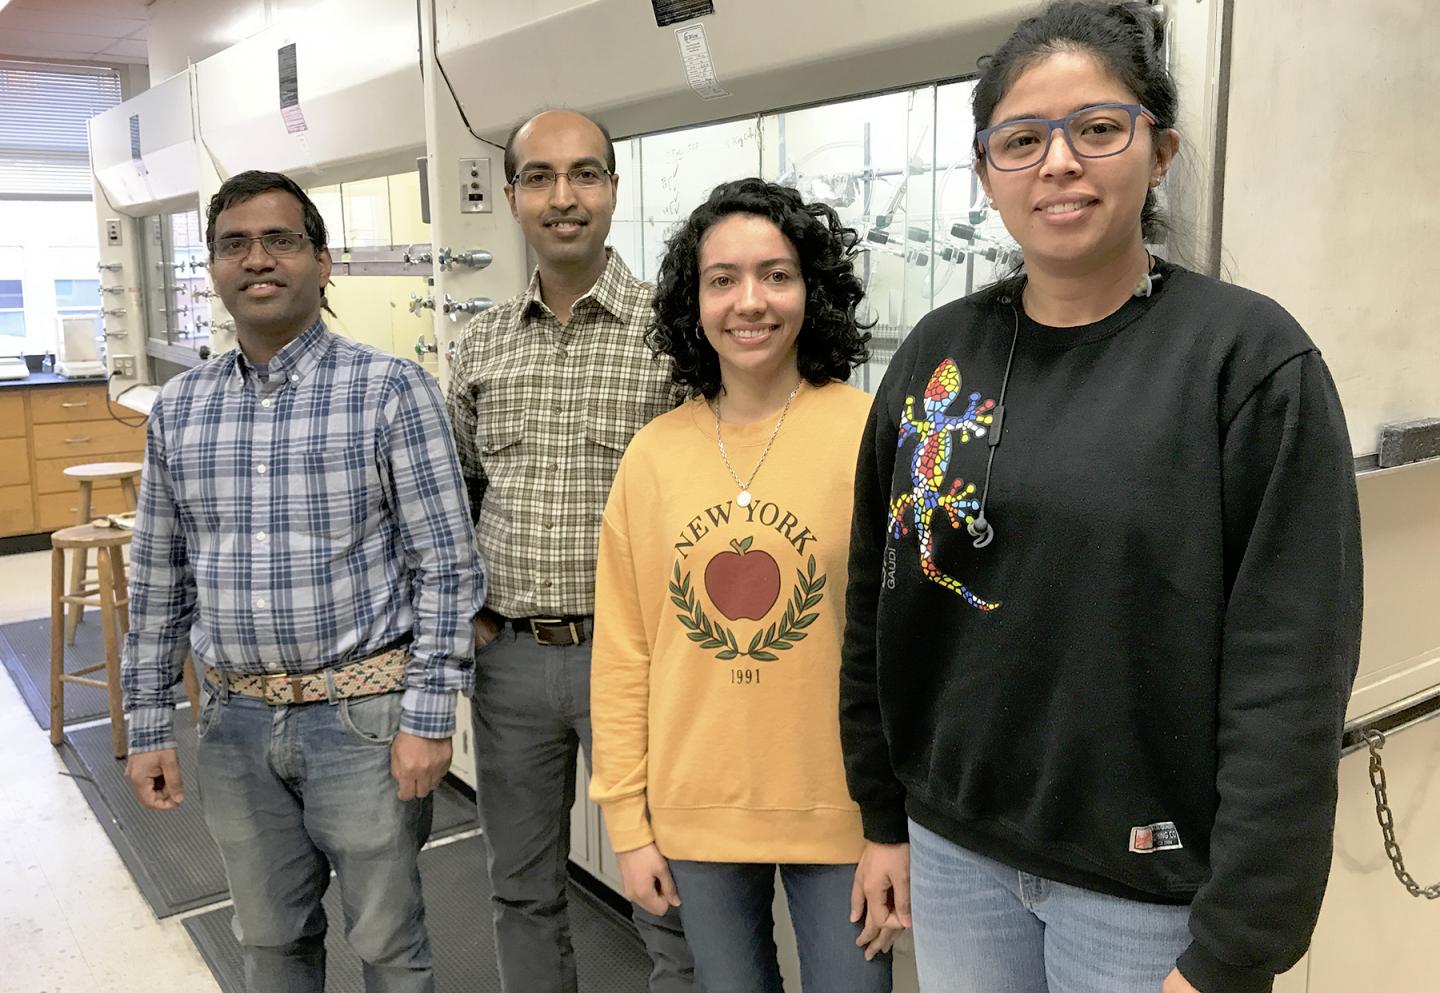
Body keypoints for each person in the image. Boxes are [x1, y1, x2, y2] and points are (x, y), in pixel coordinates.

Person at [840, 4, 1363, 993]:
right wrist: (881, 814)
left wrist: (1238, 943)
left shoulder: (1247, 362)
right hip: (956, 850)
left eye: (1097, 128)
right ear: (987, 172)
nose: (1059, 163)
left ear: (1159, 151)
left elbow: (1291, 672)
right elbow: (879, 595)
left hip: (1147, 891)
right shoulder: (937, 355)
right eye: (1021, 140)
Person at [121, 170, 483, 993]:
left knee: (389, 945)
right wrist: (148, 725)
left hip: (362, 720)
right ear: (213, 268)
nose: (257, 259)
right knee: (269, 942)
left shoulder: (389, 390)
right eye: (234, 244)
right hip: (234, 724)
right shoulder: (180, 409)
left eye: (280, 240)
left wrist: (429, 717)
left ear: (322, 262)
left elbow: (448, 566)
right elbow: (159, 581)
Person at [588, 177, 898, 993]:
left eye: (777, 274)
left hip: (844, 809)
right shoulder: (654, 455)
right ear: (694, 302)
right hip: (697, 808)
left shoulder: (871, 433)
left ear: (812, 291)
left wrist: (896, 824)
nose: (749, 301)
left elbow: (907, 646)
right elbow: (624, 655)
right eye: (722, 279)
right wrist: (627, 823)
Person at [446, 109, 695, 993]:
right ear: (512, 195)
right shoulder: (479, 344)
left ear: (614, 190)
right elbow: (460, 490)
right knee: (521, 890)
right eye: (540, 177)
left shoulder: (674, 334)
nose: (564, 197)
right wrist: (473, 618)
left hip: (640, 664)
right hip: (511, 661)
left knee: (671, 897)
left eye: (585, 174)